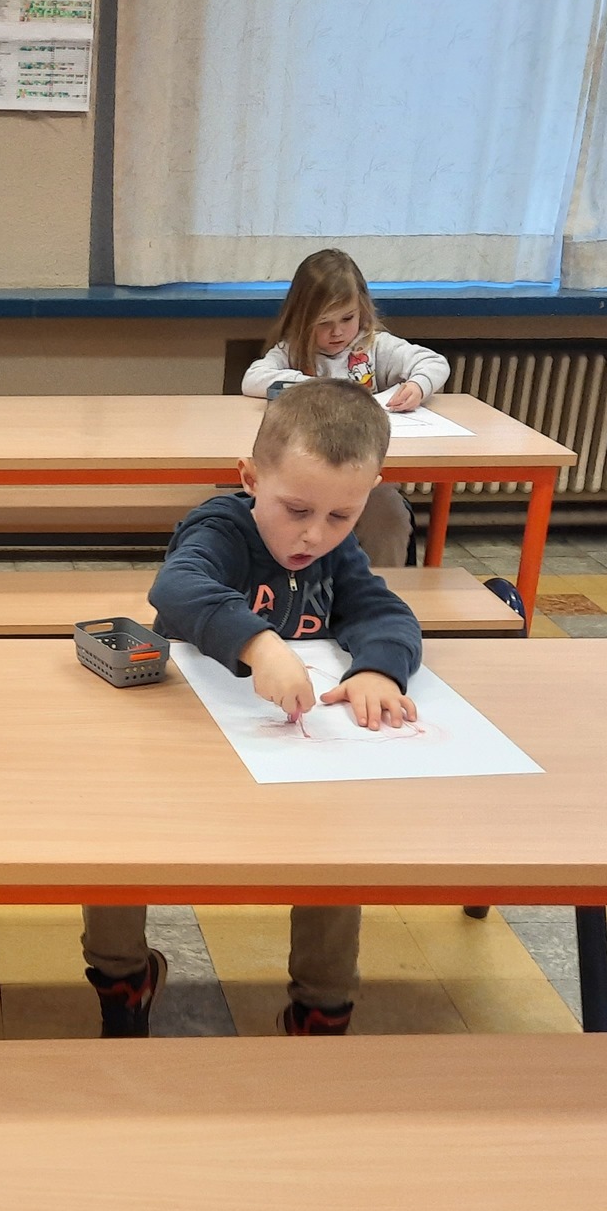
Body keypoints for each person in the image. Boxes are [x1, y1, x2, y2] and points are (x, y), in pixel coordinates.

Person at [82, 379, 422, 1039]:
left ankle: (323, 1005)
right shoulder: (222, 528)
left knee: (337, 848)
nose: (313, 535)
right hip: (183, 738)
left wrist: (379, 667)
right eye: (296, 510)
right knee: (118, 834)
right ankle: (121, 977)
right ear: (251, 478)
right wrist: (260, 645)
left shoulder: (336, 552)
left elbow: (384, 611)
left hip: (285, 755)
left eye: (341, 516)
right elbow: (176, 587)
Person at [241, 248, 453, 569]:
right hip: (303, 475)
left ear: (362, 310)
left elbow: (433, 362)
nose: (337, 332)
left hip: (361, 476)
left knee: (389, 517)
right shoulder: (292, 352)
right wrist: (321, 388)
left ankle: (379, 589)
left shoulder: (375, 346)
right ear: (302, 320)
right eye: (323, 323)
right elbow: (253, 379)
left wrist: (418, 385)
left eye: (347, 318)